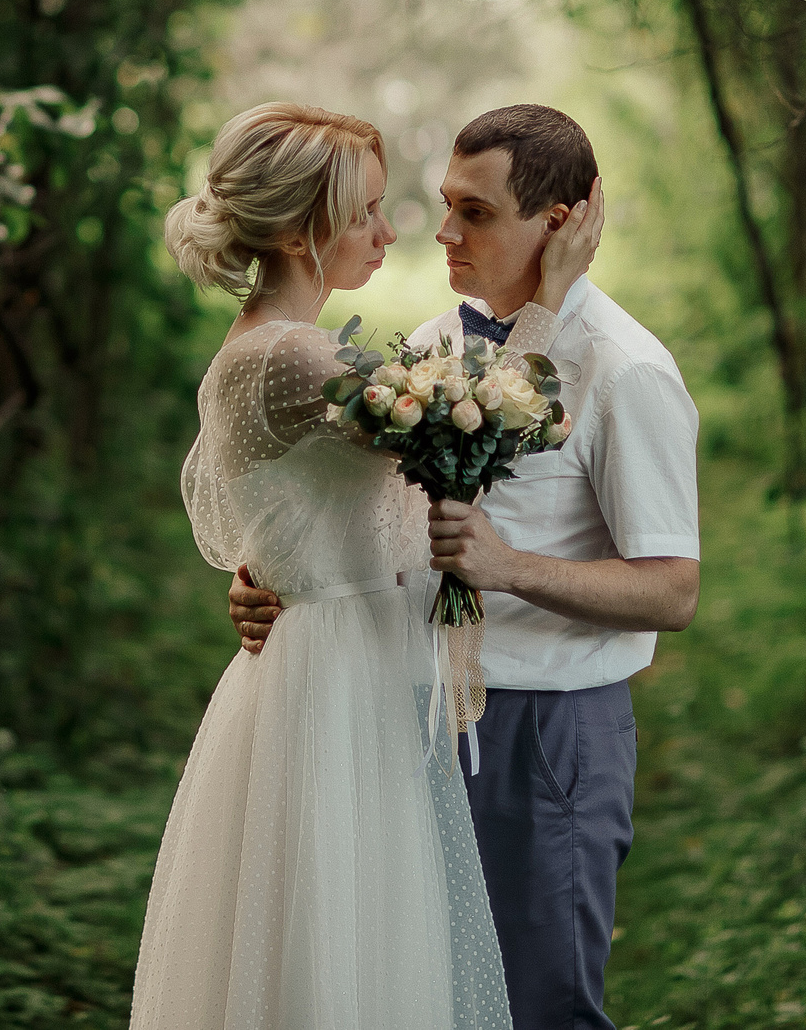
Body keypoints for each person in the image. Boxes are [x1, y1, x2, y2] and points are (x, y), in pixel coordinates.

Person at [228, 103, 701, 1030]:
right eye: (446, 203)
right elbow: (361, 507)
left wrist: (512, 566)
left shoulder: (626, 370)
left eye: (475, 212)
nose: (441, 230)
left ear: (558, 223)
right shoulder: (431, 346)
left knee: (541, 1006)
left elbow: (673, 589)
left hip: (544, 736)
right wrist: (277, 574)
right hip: (399, 722)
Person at [131, 100, 598, 1030]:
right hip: (337, 676)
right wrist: (550, 298)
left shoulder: (274, 351)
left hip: (340, 654)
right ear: (306, 231)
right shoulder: (293, 358)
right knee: (343, 930)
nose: (391, 233)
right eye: (367, 213)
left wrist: (268, 570)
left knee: (352, 925)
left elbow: (301, 508)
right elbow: (497, 425)